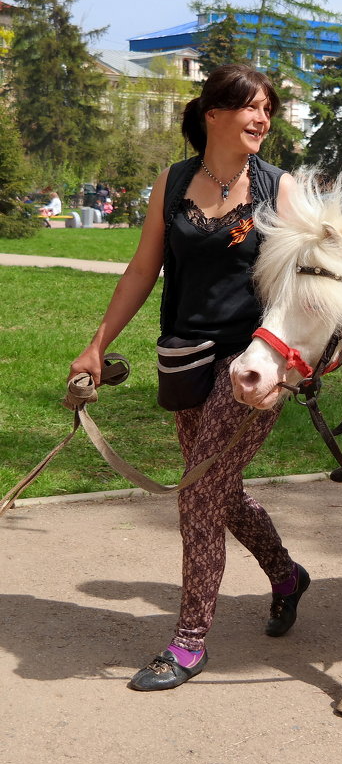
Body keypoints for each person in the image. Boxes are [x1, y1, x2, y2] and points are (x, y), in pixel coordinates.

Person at [68, 64, 310, 692]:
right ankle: (286, 575)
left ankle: (188, 643)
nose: (262, 119)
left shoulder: (278, 190)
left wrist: (304, 361)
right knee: (217, 491)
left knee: (199, 493)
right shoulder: (172, 183)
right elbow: (143, 269)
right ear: (213, 114)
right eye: (252, 108)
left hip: (251, 365)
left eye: (268, 110)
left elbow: (315, 279)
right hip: (184, 359)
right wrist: (97, 345)